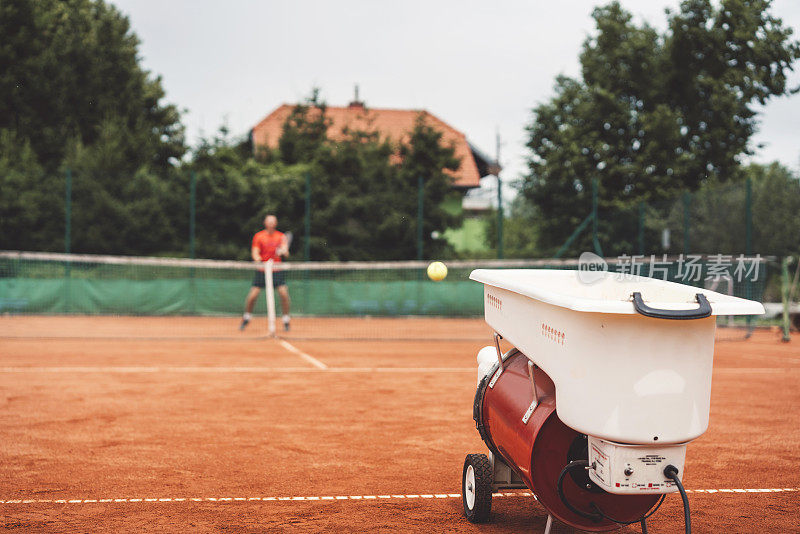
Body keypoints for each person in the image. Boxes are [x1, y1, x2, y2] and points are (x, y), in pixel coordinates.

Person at [240, 215, 291, 331]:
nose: (271, 223)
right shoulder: (259, 236)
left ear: (276, 223)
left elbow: (286, 253)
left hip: (276, 270)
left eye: (273, 221)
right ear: (265, 223)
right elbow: (255, 252)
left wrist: (283, 251)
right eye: (269, 221)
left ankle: (286, 319)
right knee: (252, 296)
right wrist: (258, 260)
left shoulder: (281, 236)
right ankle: (247, 317)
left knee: (284, 294)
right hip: (262, 270)